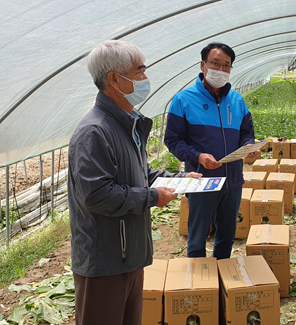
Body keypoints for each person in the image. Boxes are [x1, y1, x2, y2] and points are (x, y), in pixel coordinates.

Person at [68, 40, 201, 325]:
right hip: (105, 261)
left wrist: (181, 180)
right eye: (139, 71)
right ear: (115, 79)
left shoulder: (126, 123)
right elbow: (98, 195)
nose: (145, 78)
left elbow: (143, 175)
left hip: (129, 254)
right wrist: (152, 197)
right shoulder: (95, 131)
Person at [164, 42, 259, 259]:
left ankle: (221, 277)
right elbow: (173, 140)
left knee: (227, 235)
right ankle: (200, 282)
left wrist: (248, 146)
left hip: (233, 180)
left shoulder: (236, 99)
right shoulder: (183, 99)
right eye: (215, 64)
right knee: (197, 236)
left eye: (227, 65)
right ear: (203, 65)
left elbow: (246, 131)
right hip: (201, 180)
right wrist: (198, 156)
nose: (221, 70)